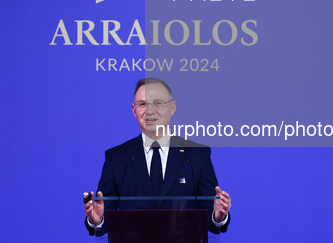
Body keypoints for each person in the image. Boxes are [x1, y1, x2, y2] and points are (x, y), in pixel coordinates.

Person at [84, 77, 231, 236]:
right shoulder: (116, 158)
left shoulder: (196, 156)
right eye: (142, 104)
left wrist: (218, 216)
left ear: (172, 107)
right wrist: (97, 220)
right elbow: (103, 216)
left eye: (158, 103)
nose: (150, 110)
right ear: (134, 110)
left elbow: (211, 217)